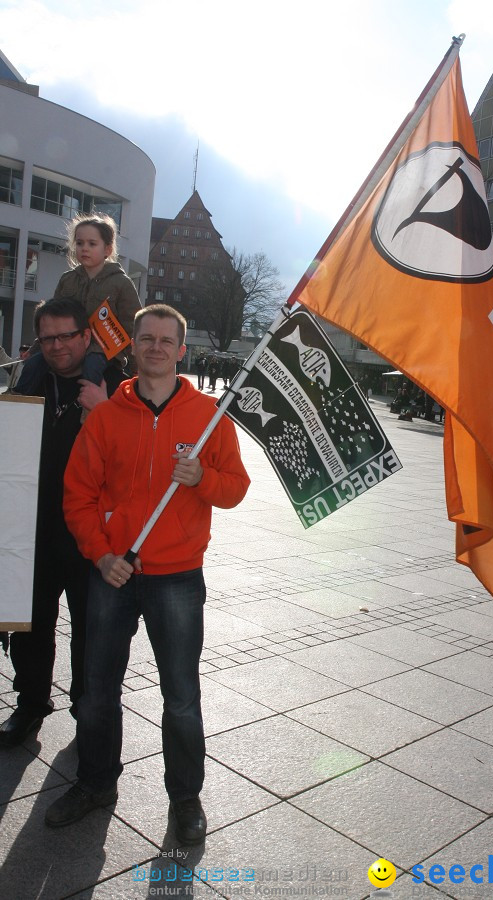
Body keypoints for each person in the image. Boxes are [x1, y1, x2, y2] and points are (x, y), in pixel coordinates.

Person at [45, 304, 250, 845]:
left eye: (167, 340)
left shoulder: (209, 416)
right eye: (146, 338)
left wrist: (204, 477)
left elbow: (236, 489)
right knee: (96, 691)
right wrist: (100, 554)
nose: (156, 347)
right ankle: (95, 783)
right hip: (114, 572)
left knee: (180, 694)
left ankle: (185, 798)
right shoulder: (109, 415)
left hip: (178, 576)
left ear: (182, 350)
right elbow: (79, 495)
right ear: (131, 346)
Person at [0, 299, 123, 748]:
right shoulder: (28, 381)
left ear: (86, 336)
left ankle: (86, 710)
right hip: (34, 529)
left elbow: (133, 455)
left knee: (91, 629)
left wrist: (105, 407)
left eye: (66, 336)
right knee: (31, 625)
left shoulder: (113, 384)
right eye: (47, 338)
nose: (56, 346)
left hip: (91, 536)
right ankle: (31, 704)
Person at [15, 213, 141, 393]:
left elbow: (133, 325)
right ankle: (18, 402)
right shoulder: (67, 280)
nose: (84, 248)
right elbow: (51, 320)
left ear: (107, 249)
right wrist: (35, 349)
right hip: (67, 345)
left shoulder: (121, 283)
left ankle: (87, 413)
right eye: (79, 243)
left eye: (92, 243)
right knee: (33, 365)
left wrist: (137, 365)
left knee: (91, 366)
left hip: (101, 349)